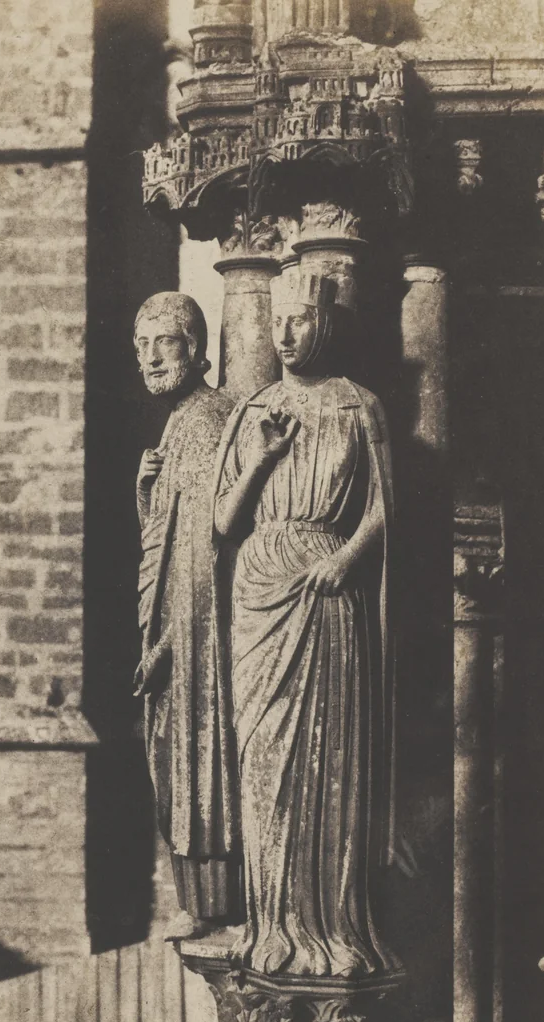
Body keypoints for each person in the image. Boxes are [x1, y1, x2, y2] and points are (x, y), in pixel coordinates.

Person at [212, 271, 398, 977]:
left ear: (325, 323)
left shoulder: (359, 405)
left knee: (327, 757)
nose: (285, 334)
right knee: (262, 758)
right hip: (259, 585)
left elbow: (384, 507)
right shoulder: (254, 409)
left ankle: (332, 929)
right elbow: (224, 520)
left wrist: (347, 557)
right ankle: (271, 927)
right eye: (276, 322)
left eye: (299, 320)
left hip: (327, 590)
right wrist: (262, 458)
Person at [134, 292, 241, 939]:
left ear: (195, 348)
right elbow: (167, 538)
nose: (149, 358)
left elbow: (205, 550)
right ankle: (201, 901)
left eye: (163, 343)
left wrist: (171, 640)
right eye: (141, 346)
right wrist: (147, 491)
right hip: (181, 616)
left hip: (198, 626)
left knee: (194, 754)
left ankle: (211, 904)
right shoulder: (180, 419)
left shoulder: (204, 419)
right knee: (173, 755)